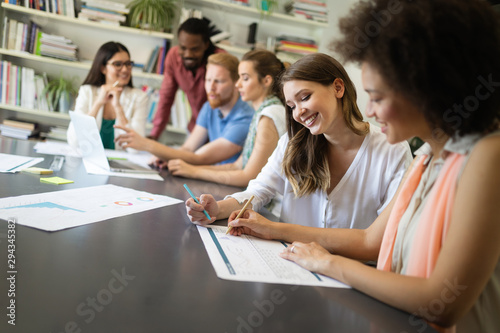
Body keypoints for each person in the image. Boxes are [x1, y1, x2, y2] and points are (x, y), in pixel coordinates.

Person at [225, 1, 500, 332]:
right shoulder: (427, 158)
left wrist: (329, 263)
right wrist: (274, 230)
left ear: (428, 88)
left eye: (378, 97)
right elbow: (372, 240)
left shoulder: (488, 156)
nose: (369, 110)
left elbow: (439, 301)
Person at [186, 52, 412, 229]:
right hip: (290, 263)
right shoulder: (292, 143)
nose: (298, 113)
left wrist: (276, 230)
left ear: (338, 87)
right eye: (291, 106)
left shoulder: (392, 149)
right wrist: (217, 208)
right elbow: (259, 190)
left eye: (305, 97)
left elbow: (383, 236)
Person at [167, 50, 288, 187]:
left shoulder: (269, 116)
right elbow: (237, 166)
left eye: (245, 78)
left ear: (266, 81)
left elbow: (248, 176)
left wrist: (194, 171)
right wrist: (188, 169)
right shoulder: (262, 112)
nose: (238, 85)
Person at [115, 53, 254, 165]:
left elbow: (201, 157)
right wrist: (167, 157)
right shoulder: (209, 107)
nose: (211, 88)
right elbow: (188, 148)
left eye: (218, 81)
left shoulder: (245, 118)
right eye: (208, 80)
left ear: (236, 83)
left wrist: (147, 145)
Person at [150, 18, 226, 139]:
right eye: (183, 48)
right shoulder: (173, 57)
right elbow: (166, 97)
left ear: (206, 45)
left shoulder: (221, 60)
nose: (188, 54)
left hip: (220, 132)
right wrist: (154, 135)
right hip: (195, 128)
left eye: (194, 49)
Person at [67, 41, 148, 150]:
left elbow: (135, 149)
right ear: (103, 68)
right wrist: (98, 103)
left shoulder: (139, 97)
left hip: (121, 164)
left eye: (128, 64)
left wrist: (118, 108)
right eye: (118, 64)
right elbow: (74, 142)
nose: (125, 69)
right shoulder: (87, 92)